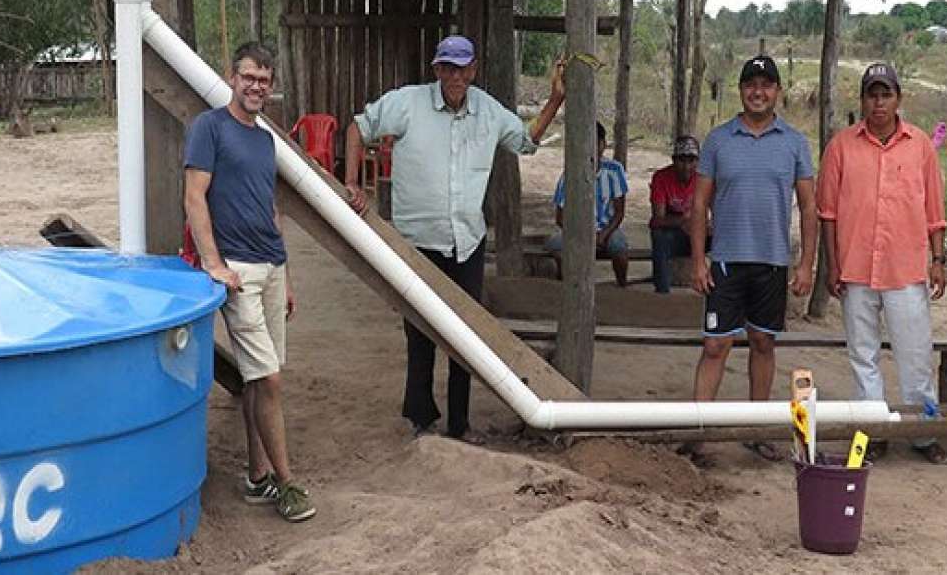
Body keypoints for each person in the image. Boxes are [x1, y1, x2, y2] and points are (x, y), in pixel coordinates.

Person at [345, 35, 564, 442]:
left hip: (466, 243)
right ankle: (421, 419)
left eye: (462, 68)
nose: (455, 76)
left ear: (473, 70)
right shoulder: (408, 103)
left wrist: (555, 99)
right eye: (448, 68)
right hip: (416, 244)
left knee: (466, 337)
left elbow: (526, 141)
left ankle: (460, 424)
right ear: (437, 70)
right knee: (420, 333)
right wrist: (352, 183)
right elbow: (358, 127)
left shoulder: (488, 111)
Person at [183, 42, 314, 522]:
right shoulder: (209, 127)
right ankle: (287, 483)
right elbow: (194, 197)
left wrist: (288, 275)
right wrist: (214, 264)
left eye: (264, 80)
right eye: (249, 77)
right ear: (231, 78)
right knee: (268, 378)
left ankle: (258, 476)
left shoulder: (264, 140)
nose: (256, 86)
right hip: (238, 272)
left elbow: (271, 210)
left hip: (272, 267)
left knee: (262, 379)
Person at [816, 62, 947, 465]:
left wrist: (938, 259)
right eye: (871, 94)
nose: (878, 102)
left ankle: (924, 433)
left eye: (885, 94)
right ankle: (872, 431)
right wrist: (833, 265)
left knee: (916, 355)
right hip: (855, 268)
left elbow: (934, 211)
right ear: (862, 100)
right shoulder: (841, 146)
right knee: (863, 356)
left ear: (898, 99)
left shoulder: (920, 145)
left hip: (904, 268)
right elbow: (828, 214)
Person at [687, 55, 817, 463]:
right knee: (715, 346)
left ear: (777, 91)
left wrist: (806, 264)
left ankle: (757, 431)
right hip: (726, 261)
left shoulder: (794, 142)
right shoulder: (718, 140)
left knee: (763, 342)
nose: (758, 92)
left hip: (772, 262)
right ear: (741, 90)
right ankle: (696, 432)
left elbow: (809, 207)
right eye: (750, 85)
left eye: (766, 85)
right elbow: (699, 204)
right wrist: (698, 260)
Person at [546, 122, 629, 287]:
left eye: (596, 143)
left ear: (603, 144)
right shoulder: (570, 173)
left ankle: (622, 287)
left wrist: (604, 234)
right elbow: (560, 217)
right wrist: (580, 234)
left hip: (607, 229)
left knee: (619, 249)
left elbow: (619, 212)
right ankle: (568, 285)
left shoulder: (614, 170)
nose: (592, 149)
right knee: (556, 246)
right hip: (577, 230)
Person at [649, 135, 702, 294]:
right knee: (659, 237)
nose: (686, 166)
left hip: (697, 232)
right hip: (673, 234)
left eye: (691, 161)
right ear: (673, 160)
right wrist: (683, 222)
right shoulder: (661, 178)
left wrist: (706, 226)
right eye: (682, 160)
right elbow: (658, 219)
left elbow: (715, 210)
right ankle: (662, 292)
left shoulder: (704, 178)